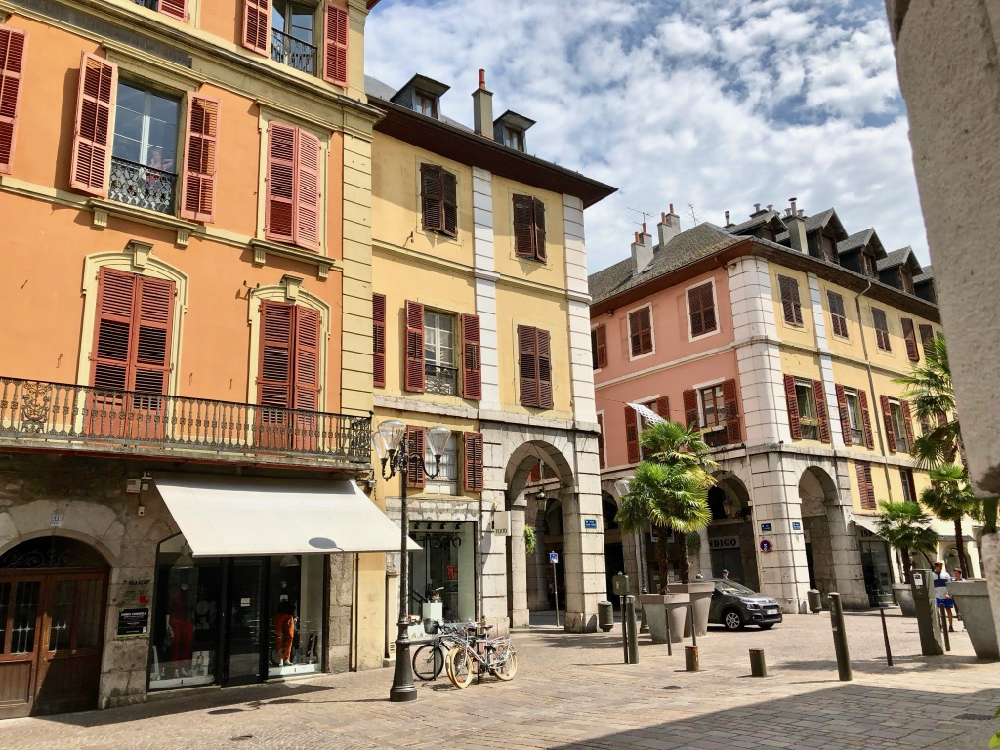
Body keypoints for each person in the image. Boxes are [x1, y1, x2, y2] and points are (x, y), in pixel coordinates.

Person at [932, 561, 955, 632]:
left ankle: (950, 625)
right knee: (937, 610)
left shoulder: (945, 574)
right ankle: (939, 625)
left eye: (941, 566)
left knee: (948, 610)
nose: (940, 567)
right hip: (937, 595)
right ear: (936, 566)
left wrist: (948, 593)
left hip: (946, 595)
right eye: (939, 566)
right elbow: (931, 586)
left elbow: (950, 584)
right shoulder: (932, 575)